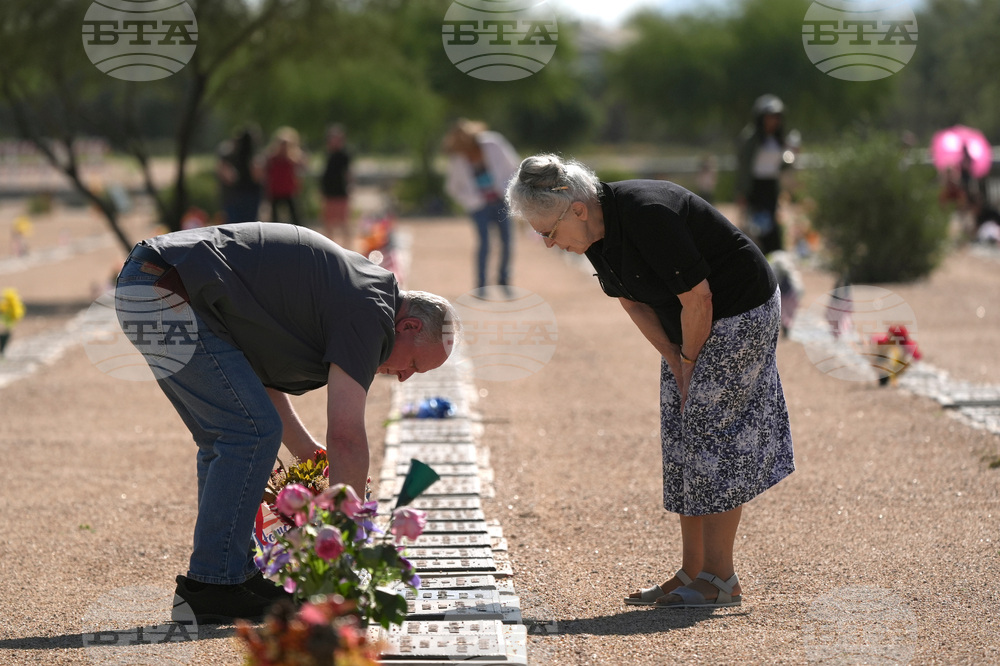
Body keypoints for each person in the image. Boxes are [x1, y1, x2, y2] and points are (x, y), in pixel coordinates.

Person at [115, 222, 457, 623]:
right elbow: (346, 435)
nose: (403, 377)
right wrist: (344, 545)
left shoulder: (364, 295)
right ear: (410, 326)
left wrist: (309, 455)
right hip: (165, 289)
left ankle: (228, 578)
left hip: (153, 283)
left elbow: (252, 380)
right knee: (248, 434)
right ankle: (214, 585)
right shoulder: (371, 312)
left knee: (229, 436)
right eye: (414, 364)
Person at [505, 155, 794, 609]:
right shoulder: (593, 236)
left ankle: (720, 578)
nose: (546, 244)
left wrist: (692, 362)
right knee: (681, 434)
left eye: (547, 232)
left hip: (738, 309)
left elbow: (699, 297)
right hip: (691, 323)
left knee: (712, 434)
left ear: (577, 209)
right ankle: (691, 573)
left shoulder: (646, 214)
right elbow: (633, 303)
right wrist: (676, 363)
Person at [443, 119, 520, 290]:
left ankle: (503, 278)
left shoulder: (493, 143)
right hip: (479, 207)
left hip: (501, 200)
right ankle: (481, 283)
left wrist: (508, 190)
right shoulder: (458, 158)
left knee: (507, 240)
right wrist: (472, 200)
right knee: (484, 243)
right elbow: (452, 188)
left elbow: (513, 165)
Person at [736, 94, 792, 255]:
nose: (773, 120)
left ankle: (775, 257)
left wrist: (791, 156)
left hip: (771, 186)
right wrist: (742, 193)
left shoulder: (778, 139)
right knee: (758, 227)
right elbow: (744, 167)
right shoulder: (751, 139)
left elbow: (781, 164)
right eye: (770, 116)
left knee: (772, 225)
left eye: (776, 117)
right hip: (756, 187)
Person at [217, 126, 263, 224]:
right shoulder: (254, 156)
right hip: (246, 195)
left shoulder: (229, 154)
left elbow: (227, 176)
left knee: (233, 227)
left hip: (234, 195)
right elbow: (257, 176)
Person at [320, 124, 354, 248]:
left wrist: (350, 189)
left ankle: (348, 248)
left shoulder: (344, 155)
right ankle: (329, 248)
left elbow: (347, 174)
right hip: (329, 193)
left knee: (344, 222)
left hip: (340, 193)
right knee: (328, 223)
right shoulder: (328, 154)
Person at [264, 127, 307, 226]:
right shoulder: (272, 158)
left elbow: (303, 168)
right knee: (274, 220)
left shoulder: (294, 158)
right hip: (275, 191)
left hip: (289, 191)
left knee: (296, 218)